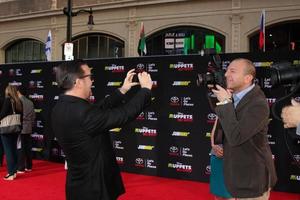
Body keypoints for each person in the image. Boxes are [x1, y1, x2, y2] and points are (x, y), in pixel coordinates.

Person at [51, 60, 152, 200]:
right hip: (94, 188)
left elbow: (98, 109)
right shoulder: (83, 113)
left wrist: (122, 90)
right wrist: (146, 90)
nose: (92, 81)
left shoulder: (61, 107)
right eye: (89, 77)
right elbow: (125, 114)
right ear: (78, 82)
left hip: (77, 184)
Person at [211, 58, 277, 199]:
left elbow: (236, 137)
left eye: (232, 71)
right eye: (227, 70)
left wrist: (224, 102)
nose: (226, 74)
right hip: (236, 175)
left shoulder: (258, 104)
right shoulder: (232, 97)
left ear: (248, 78)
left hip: (252, 180)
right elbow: (225, 128)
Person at [0, 85, 23, 180]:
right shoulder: (19, 101)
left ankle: (10, 173)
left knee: (8, 151)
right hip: (16, 128)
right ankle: (14, 171)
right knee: (13, 149)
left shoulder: (8, 100)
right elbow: (22, 115)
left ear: (8, 91)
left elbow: (3, 114)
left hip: (6, 129)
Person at [210, 117, 234, 200]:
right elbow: (214, 131)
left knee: (230, 194)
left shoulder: (240, 111)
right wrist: (213, 146)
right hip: (216, 154)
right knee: (217, 192)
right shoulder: (220, 112)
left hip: (232, 155)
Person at [17, 86, 35, 173]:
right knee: (28, 147)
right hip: (28, 127)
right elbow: (33, 116)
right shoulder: (30, 102)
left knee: (21, 147)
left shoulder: (18, 101)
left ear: (18, 92)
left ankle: (21, 168)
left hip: (20, 127)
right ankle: (29, 166)